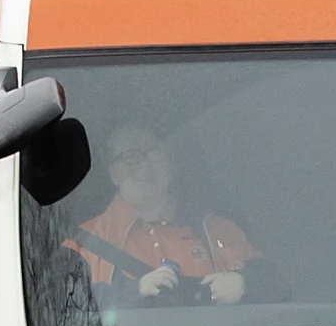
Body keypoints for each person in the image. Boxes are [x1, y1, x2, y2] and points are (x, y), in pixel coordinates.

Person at [68, 127, 252, 305]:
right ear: (113, 173)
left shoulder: (217, 230)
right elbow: (62, 303)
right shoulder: (83, 243)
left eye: (155, 155)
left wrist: (244, 284)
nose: (145, 165)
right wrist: (136, 291)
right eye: (130, 157)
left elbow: (268, 282)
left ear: (170, 167)